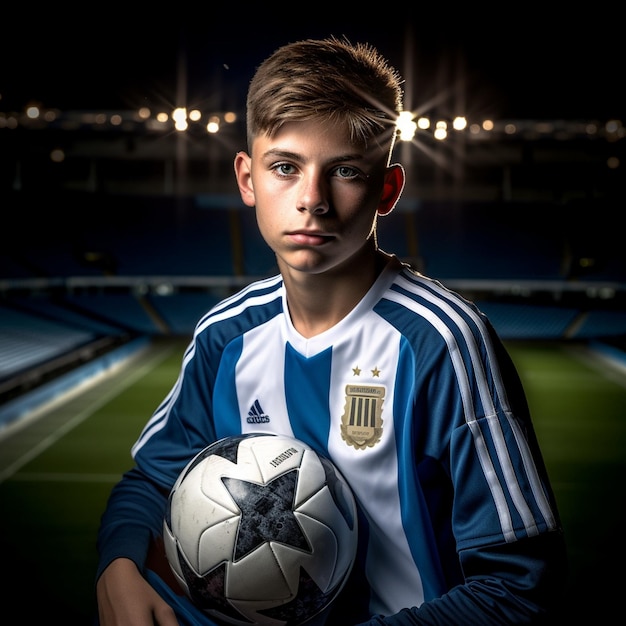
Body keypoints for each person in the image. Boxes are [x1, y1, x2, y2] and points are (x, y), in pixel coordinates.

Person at [95, 36, 568, 625]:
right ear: (247, 179)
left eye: (344, 171)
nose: (312, 200)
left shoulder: (443, 344)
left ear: (387, 190)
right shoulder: (226, 335)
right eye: (285, 167)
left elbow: (521, 590)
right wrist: (118, 561)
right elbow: (150, 481)